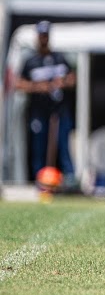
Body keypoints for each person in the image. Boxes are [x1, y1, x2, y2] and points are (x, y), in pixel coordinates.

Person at [16, 21, 76, 184]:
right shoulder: (31, 61)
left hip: (59, 111)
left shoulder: (59, 57)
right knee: (39, 148)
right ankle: (39, 180)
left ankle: (70, 180)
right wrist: (38, 87)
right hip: (39, 111)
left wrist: (61, 82)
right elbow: (18, 83)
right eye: (41, 36)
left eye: (46, 36)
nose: (44, 39)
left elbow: (73, 78)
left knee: (63, 146)